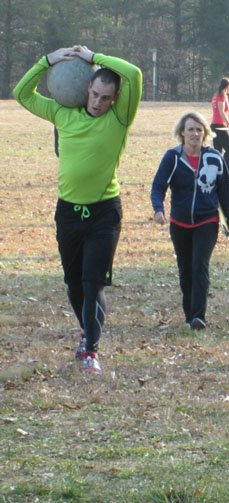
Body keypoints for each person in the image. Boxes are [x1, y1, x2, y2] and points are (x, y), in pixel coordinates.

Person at [12, 45, 142, 374]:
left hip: (104, 213)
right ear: (87, 88)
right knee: (74, 284)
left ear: (115, 99)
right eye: (95, 94)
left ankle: (91, 352)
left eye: (105, 98)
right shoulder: (61, 113)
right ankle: (87, 332)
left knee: (92, 282)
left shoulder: (120, 118)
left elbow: (134, 74)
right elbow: (22, 93)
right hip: (68, 213)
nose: (98, 103)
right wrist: (48, 61)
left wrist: (94, 56)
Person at [151, 112, 229, 331]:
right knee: (185, 268)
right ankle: (189, 313)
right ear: (182, 132)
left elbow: (225, 190)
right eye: (190, 129)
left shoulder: (214, 158)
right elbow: (159, 185)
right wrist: (158, 209)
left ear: (205, 133)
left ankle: (199, 316)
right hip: (179, 222)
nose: (195, 134)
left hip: (207, 220)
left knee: (200, 266)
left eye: (199, 130)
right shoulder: (173, 157)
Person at [210, 77, 229, 178]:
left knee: (218, 152)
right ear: (227, 86)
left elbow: (223, 112)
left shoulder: (216, 95)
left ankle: (217, 175)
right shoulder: (222, 96)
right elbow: (221, 112)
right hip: (219, 127)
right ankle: (227, 175)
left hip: (214, 125)